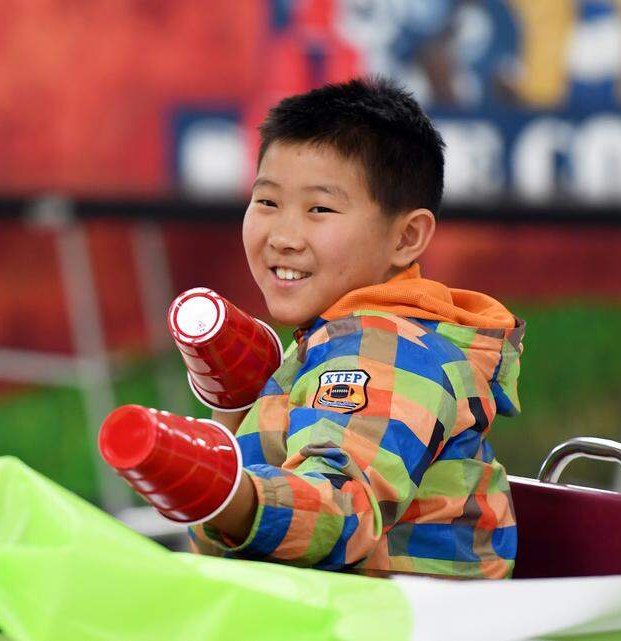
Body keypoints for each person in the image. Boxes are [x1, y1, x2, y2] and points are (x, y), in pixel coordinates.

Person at [188, 76, 524, 579]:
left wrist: (201, 478)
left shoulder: (386, 349)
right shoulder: (332, 341)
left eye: (319, 209)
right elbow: (225, 547)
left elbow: (340, 515)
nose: (282, 236)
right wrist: (231, 414)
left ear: (407, 237)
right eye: (267, 202)